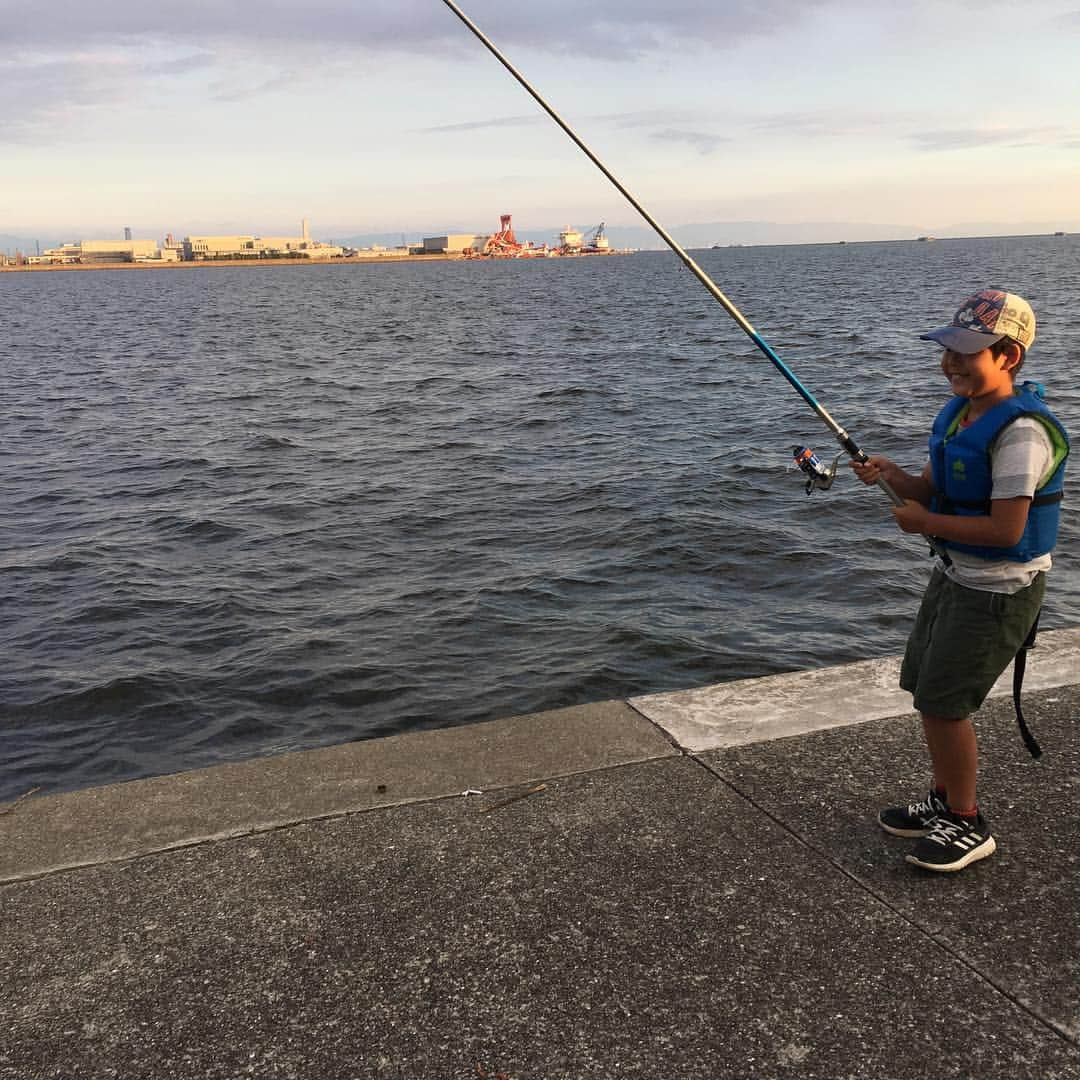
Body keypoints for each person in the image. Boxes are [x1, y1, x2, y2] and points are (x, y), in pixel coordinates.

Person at [852, 288, 1069, 872]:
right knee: (928, 688)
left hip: (998, 589)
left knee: (947, 704)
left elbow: (1005, 530)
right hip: (955, 575)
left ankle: (968, 821)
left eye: (967, 352)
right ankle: (945, 797)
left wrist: (924, 522)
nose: (951, 362)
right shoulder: (957, 414)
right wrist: (894, 475)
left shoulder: (1021, 432)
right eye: (947, 349)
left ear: (1009, 357)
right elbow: (932, 488)